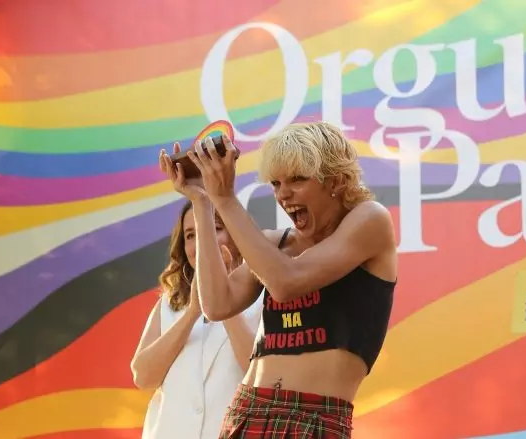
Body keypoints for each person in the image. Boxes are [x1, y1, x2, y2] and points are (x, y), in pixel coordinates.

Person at [158, 121, 397, 438]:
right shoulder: (276, 243)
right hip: (246, 413)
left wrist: (226, 200)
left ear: (336, 180)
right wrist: (204, 201)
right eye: (275, 183)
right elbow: (216, 305)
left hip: (313, 419)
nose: (283, 194)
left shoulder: (370, 219)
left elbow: (285, 283)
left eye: (298, 179)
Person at [131, 200, 263, 439]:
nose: (203, 241)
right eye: (191, 235)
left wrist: (224, 299)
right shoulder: (170, 303)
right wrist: (192, 312)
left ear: (237, 233)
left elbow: (260, 377)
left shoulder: (264, 295)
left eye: (215, 228)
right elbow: (143, 377)